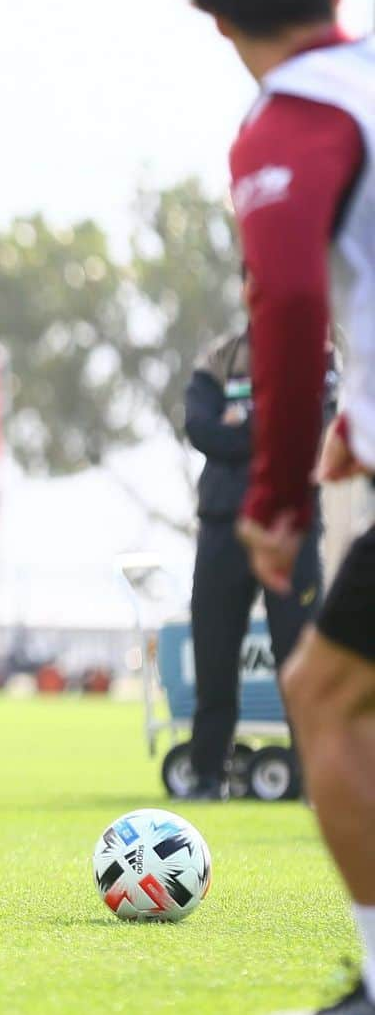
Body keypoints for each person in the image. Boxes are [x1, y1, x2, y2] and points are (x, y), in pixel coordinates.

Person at [187, 0, 375, 1014]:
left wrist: (278, 498)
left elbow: (293, 303)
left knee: (324, 696)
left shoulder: (292, 117)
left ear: (214, 17)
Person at [182, 327, 334, 800]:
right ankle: (208, 775)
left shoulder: (318, 352)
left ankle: (313, 780)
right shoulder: (220, 357)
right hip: (222, 524)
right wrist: (271, 427)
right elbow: (200, 429)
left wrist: (240, 424)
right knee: (213, 651)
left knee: (301, 654)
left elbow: (316, 430)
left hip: (290, 524)